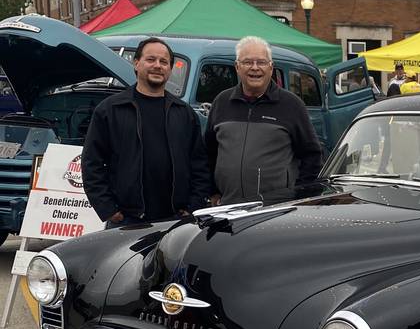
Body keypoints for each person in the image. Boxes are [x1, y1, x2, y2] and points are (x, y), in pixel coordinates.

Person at [82, 37, 211, 227]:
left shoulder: (184, 113)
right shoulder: (110, 110)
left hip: (175, 221)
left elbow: (200, 165)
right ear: (136, 63)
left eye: (164, 62)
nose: (157, 66)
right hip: (126, 220)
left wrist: (193, 206)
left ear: (170, 68)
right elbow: (91, 163)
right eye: (151, 60)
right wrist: (108, 209)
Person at [205, 36, 322, 205]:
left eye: (261, 62)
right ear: (237, 67)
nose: (255, 68)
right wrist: (212, 191)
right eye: (247, 62)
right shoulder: (222, 102)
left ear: (271, 67)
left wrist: (300, 195)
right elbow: (208, 153)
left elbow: (312, 156)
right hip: (228, 207)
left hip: (275, 211)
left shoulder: (291, 105)